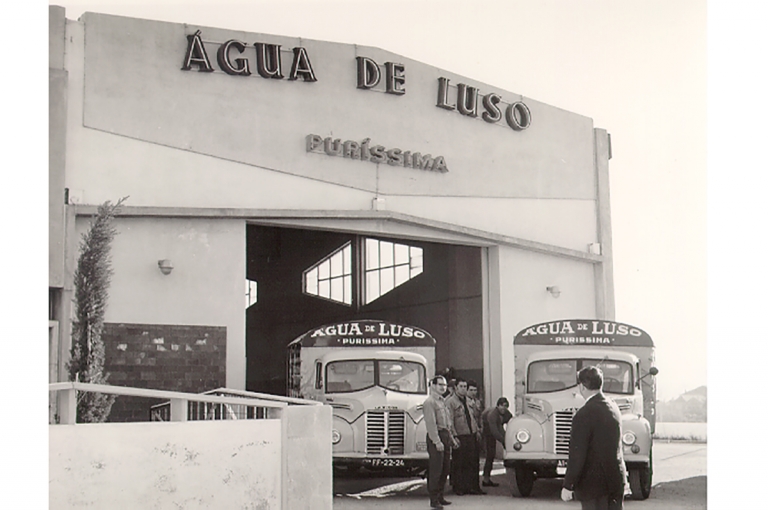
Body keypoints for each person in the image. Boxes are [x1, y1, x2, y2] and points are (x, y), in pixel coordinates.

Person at [561, 366, 628, 510]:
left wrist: (568, 485)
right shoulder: (613, 407)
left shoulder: (584, 414)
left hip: (593, 486)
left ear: (582, 387)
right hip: (615, 480)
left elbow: (577, 453)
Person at [423, 375, 459, 509]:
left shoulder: (442, 401)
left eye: (444, 385)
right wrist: (437, 441)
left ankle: (440, 496)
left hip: (445, 435)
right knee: (436, 470)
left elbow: (447, 423)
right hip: (436, 436)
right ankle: (433, 500)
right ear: (433, 386)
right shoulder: (430, 402)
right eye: (440, 385)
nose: (443, 387)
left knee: (445, 469)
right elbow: (431, 424)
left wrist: (451, 439)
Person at [446, 377, 485, 495]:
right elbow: (449, 421)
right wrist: (454, 436)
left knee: (473, 462)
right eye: (461, 387)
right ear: (456, 388)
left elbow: (472, 417)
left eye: (465, 387)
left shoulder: (469, 401)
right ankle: (459, 487)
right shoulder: (450, 402)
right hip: (460, 435)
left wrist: (477, 431)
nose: (463, 389)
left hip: (471, 434)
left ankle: (473, 487)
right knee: (459, 463)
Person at [480, 397, 513, 487]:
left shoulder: (506, 413)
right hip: (486, 428)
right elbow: (494, 432)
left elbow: (512, 423)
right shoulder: (492, 415)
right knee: (490, 454)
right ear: (498, 406)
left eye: (505, 406)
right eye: (502, 406)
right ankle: (486, 479)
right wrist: (504, 441)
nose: (504, 408)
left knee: (504, 440)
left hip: (497, 425)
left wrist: (510, 438)